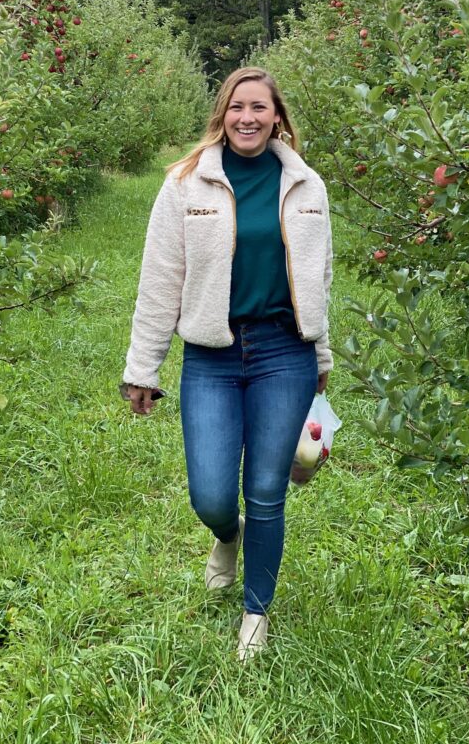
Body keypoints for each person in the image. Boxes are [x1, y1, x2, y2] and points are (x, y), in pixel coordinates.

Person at [121, 66, 333, 660]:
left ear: (277, 117)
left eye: (259, 108)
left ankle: (255, 614)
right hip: (212, 356)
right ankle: (226, 535)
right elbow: (161, 280)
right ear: (223, 112)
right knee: (212, 495)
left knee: (267, 490)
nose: (248, 118)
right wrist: (144, 367)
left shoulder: (306, 185)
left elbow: (319, 277)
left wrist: (321, 353)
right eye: (238, 107)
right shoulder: (187, 183)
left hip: (284, 352)